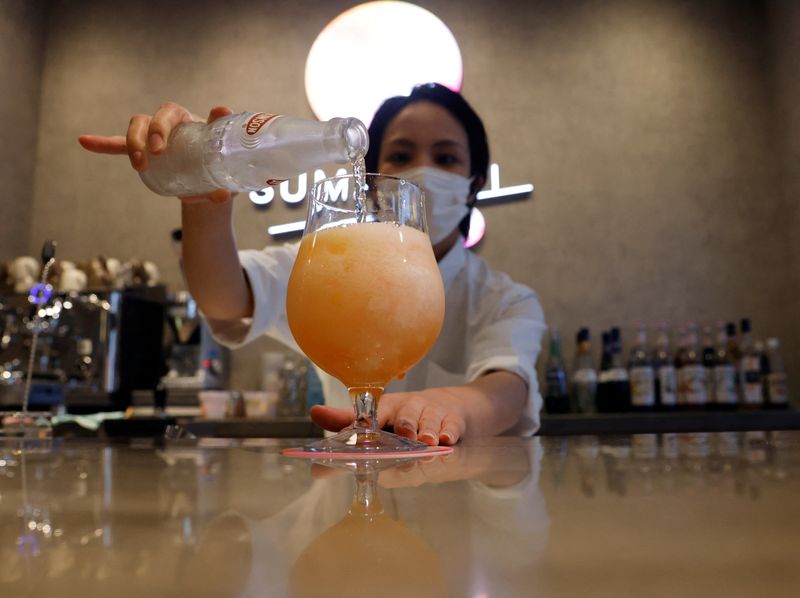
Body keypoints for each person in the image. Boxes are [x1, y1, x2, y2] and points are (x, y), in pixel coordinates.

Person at [79, 83, 547, 444]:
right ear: (367, 179)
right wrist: (204, 194)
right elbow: (224, 299)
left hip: (462, 521)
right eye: (401, 156)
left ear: (474, 184)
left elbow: (508, 387)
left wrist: (453, 407)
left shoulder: (505, 300)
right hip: (340, 513)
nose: (421, 170)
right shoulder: (334, 264)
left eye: (446, 157)